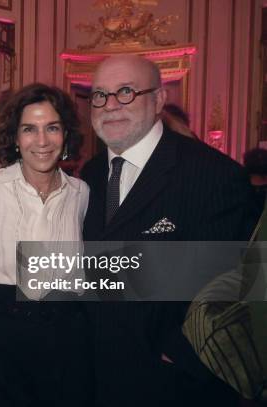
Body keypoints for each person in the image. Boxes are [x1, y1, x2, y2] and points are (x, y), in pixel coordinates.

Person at [81, 54, 261, 406]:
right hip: (96, 372)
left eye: (127, 92)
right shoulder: (89, 175)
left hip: (173, 383)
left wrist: (183, 354)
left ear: (159, 100)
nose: (110, 105)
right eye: (100, 95)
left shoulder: (213, 175)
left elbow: (242, 278)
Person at [0, 83, 92, 406]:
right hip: (1, 329)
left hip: (66, 331)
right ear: (15, 137)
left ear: (66, 135)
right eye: (29, 129)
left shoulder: (81, 193)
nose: (41, 141)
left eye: (52, 128)